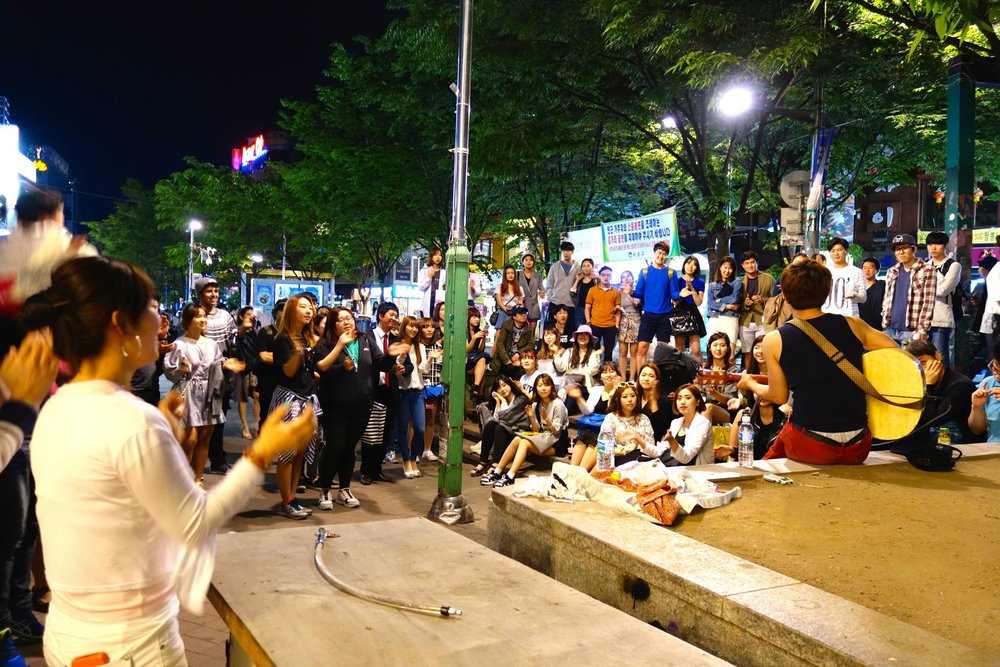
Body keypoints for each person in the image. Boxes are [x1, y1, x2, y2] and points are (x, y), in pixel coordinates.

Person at [22, 255, 315, 666]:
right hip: (130, 646)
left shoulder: (58, 407)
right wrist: (262, 451)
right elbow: (195, 522)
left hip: (74, 634)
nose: (161, 319)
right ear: (120, 324)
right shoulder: (128, 419)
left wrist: (161, 431)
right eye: (151, 308)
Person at [738, 259, 898, 464]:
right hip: (858, 444)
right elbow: (894, 349)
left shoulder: (774, 339)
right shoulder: (853, 324)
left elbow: (778, 395)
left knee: (775, 449)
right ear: (827, 292)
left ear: (784, 295)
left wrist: (750, 383)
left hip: (811, 444)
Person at [0, 332, 58, 662]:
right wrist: (20, 405)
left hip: (24, 434)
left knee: (21, 531)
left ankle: (16, 615)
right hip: (16, 431)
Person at [313, 308, 403, 510]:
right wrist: (340, 365)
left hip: (361, 405)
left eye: (349, 318)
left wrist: (390, 356)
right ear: (333, 325)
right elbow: (321, 370)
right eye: (341, 319)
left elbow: (380, 364)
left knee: (349, 448)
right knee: (334, 446)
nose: (347, 322)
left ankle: (344, 490)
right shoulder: (325, 343)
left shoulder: (364, 340)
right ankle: (324, 489)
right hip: (335, 406)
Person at [163, 304, 245, 485]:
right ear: (188, 321)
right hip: (187, 394)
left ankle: (197, 478)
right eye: (198, 316)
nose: (203, 320)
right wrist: (181, 369)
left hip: (208, 395)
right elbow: (169, 372)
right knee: (189, 440)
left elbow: (217, 364)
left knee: (204, 439)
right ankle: (183, 479)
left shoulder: (212, 344)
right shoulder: (179, 344)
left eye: (204, 316)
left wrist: (226, 365)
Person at [270, 294, 324, 518]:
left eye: (310, 307)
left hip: (307, 399)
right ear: (292, 310)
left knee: (300, 452)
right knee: (287, 454)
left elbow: (308, 370)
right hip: (289, 400)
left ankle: (293, 497)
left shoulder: (307, 337)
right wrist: (300, 352)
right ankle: (286, 501)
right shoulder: (283, 339)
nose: (309, 310)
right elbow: (289, 371)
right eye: (303, 307)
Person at [482, 374, 568, 487]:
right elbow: (537, 430)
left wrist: (547, 419)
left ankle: (510, 476)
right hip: (543, 437)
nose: (543, 388)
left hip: (556, 443)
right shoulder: (536, 404)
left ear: (552, 387)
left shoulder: (558, 404)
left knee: (524, 442)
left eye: (546, 385)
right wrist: (532, 417)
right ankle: (497, 472)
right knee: (518, 438)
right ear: (535, 388)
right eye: (540, 386)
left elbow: (557, 432)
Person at [194, 276, 238, 475]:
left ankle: (217, 459)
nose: (214, 295)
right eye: (209, 291)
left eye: (216, 291)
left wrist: (242, 333)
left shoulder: (225, 316)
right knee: (196, 419)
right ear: (200, 294)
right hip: (198, 375)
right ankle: (194, 461)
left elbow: (233, 342)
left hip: (221, 374)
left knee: (218, 418)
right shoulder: (194, 313)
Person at [902, 340, 977, 446]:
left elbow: (934, 419)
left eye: (923, 362)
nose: (920, 369)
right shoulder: (915, 382)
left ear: (937, 356)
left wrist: (929, 387)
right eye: (915, 365)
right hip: (927, 444)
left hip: (958, 445)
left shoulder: (961, 385)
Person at [364, 302, 405, 485]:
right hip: (373, 390)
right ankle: (366, 470)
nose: (394, 319)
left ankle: (376, 469)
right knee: (370, 433)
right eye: (391, 315)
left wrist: (403, 368)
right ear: (380, 316)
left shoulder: (396, 340)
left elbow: (408, 363)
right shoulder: (367, 337)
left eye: (396, 315)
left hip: (391, 389)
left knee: (386, 432)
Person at [882, 233, 937, 346]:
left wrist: (922, 329)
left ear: (914, 249)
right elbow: (887, 297)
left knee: (911, 363)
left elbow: (929, 302)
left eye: (904, 248)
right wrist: (884, 320)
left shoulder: (927, 269)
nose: (901, 252)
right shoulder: (892, 271)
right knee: (890, 363)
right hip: (890, 328)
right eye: (897, 249)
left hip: (912, 330)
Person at [471, 375, 531, 477]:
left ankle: (496, 464)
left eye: (504, 385)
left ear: (510, 385)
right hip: (506, 430)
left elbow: (506, 417)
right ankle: (483, 462)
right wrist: (499, 402)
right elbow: (496, 419)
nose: (502, 389)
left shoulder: (520, 400)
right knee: (490, 425)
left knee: (499, 428)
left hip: (518, 432)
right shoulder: (501, 399)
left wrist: (502, 401)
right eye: (498, 388)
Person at [568, 363, 621, 470]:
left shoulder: (623, 391)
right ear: (600, 376)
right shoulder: (597, 390)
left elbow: (613, 413)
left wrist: (615, 390)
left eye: (612, 371)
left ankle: (580, 472)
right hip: (593, 428)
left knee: (594, 439)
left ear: (618, 374)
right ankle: (571, 471)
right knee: (585, 434)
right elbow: (588, 411)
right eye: (605, 372)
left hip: (609, 432)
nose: (608, 375)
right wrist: (578, 398)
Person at [633, 241, 677, 364]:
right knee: (641, 349)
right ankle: (640, 380)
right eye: (659, 253)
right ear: (654, 253)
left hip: (665, 316)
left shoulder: (671, 273)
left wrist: (684, 293)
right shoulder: (644, 272)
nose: (661, 256)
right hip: (648, 315)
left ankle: (660, 380)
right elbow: (639, 293)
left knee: (662, 351)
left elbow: (674, 294)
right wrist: (630, 291)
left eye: (664, 254)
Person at [394, 316, 426, 479]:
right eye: (410, 326)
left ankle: (413, 458)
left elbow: (422, 370)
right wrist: (401, 354)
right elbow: (396, 366)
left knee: (420, 429)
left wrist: (432, 358)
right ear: (404, 327)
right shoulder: (397, 345)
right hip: (402, 391)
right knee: (403, 428)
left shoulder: (420, 346)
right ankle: (406, 461)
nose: (413, 330)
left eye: (415, 327)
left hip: (418, 391)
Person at [925, 231, 962, 366]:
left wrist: (927, 286)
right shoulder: (925, 265)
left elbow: (943, 290)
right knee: (923, 356)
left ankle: (944, 385)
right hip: (923, 319)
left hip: (941, 318)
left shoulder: (953, 265)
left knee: (940, 355)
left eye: (938, 244)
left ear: (945, 245)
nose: (933, 248)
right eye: (930, 244)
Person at [596, 382, 655, 465]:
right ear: (618, 399)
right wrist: (624, 450)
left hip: (639, 460)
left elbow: (651, 446)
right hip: (616, 459)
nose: (630, 400)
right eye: (625, 397)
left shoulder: (644, 419)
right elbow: (603, 448)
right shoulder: (611, 418)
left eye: (633, 396)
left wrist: (633, 447)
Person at [659, 384, 714, 466]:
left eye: (688, 398)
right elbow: (659, 451)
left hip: (698, 472)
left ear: (697, 402)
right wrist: (640, 441)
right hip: (675, 469)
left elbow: (686, 458)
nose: (682, 402)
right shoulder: (675, 422)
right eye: (679, 398)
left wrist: (671, 440)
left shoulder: (703, 423)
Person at [738, 251, 775, 369]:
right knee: (748, 352)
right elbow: (736, 303)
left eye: (752, 262)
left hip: (763, 321)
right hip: (746, 321)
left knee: (764, 351)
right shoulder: (739, 282)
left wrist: (762, 300)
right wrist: (745, 304)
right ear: (743, 266)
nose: (750, 265)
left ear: (757, 263)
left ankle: (764, 375)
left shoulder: (769, 279)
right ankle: (749, 377)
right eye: (747, 263)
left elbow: (776, 300)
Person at [253, 298, 286, 431]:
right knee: (267, 417)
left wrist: (276, 357)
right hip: (268, 384)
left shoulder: (293, 334)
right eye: (281, 310)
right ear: (275, 312)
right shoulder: (266, 331)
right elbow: (264, 356)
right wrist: (286, 359)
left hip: (287, 386)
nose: (284, 313)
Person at [701, 331, 743, 423]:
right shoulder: (704, 369)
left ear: (728, 348)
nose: (718, 349)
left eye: (722, 345)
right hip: (704, 407)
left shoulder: (733, 371)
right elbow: (701, 395)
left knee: (708, 408)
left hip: (726, 410)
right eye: (715, 345)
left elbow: (729, 400)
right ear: (709, 348)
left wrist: (714, 393)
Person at [671, 255, 706, 360]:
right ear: (684, 265)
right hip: (679, 313)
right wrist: (682, 294)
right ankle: (681, 373)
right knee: (679, 348)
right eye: (688, 263)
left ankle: (699, 373)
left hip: (693, 313)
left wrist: (692, 289)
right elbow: (674, 300)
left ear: (697, 268)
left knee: (696, 349)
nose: (690, 267)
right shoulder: (677, 281)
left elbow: (698, 302)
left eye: (694, 265)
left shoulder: (700, 282)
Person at [418, 318, 443, 462]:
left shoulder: (438, 348)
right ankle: (412, 451)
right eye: (425, 327)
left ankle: (427, 449)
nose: (429, 329)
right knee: (413, 422)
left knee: (430, 420)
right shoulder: (417, 347)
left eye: (431, 327)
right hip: (418, 388)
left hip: (433, 389)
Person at [821, 237, 866, 318]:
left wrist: (855, 295)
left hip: (849, 317)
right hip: (826, 315)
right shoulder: (824, 271)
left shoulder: (857, 272)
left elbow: (863, 298)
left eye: (839, 250)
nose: (836, 253)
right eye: (832, 251)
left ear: (846, 251)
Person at [232, 306, 259, 439]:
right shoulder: (239, 331)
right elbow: (240, 336)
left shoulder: (255, 331)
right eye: (248, 314)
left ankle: (257, 424)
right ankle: (245, 426)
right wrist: (244, 326)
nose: (252, 316)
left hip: (254, 367)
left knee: (256, 396)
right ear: (242, 317)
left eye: (252, 314)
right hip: (242, 367)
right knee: (242, 398)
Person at [968, 256, 997, 377]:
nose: (979, 269)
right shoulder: (984, 283)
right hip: (986, 323)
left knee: (987, 352)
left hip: (986, 323)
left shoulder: (985, 284)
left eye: (981, 267)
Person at [585, 265, 621, 363]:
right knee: (594, 352)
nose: (606, 277)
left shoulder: (616, 292)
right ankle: (595, 372)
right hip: (595, 324)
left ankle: (608, 372)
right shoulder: (592, 290)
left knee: (608, 352)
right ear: (599, 276)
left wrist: (616, 325)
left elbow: (618, 311)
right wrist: (588, 322)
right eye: (603, 275)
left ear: (611, 277)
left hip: (610, 326)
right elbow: (587, 307)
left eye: (608, 275)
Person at [705, 256, 740, 354]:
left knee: (730, 351)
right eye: (725, 267)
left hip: (730, 317)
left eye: (730, 268)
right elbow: (710, 303)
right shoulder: (712, 285)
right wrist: (727, 306)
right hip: (715, 317)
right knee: (713, 348)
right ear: (720, 268)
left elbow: (734, 299)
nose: (727, 270)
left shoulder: (736, 283)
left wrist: (718, 300)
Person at [491, 305, 535, 378]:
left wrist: (519, 353)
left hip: (519, 358)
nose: (524, 315)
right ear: (514, 317)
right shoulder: (506, 326)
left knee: (519, 372)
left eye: (525, 313)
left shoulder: (528, 328)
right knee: (508, 370)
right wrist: (506, 360)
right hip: (505, 357)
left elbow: (531, 344)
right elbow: (500, 343)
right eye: (521, 313)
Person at [555, 324, 601, 394]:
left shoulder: (593, 353)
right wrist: (557, 355)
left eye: (586, 334)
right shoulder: (569, 351)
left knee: (574, 391)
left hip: (585, 386)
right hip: (568, 385)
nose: (583, 336)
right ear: (576, 337)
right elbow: (561, 368)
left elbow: (592, 371)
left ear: (590, 338)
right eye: (580, 334)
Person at [969, 342, 1000, 442]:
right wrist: (977, 407)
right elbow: (977, 430)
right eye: (995, 369)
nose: (997, 376)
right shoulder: (988, 383)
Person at [546, 242, 580, 326]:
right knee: (553, 328)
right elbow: (549, 284)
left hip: (570, 304)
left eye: (568, 251)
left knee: (569, 328)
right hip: (555, 303)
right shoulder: (555, 266)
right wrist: (551, 298)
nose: (566, 253)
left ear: (572, 252)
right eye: (564, 251)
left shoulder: (578, 267)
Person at [617, 269, 641, 380]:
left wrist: (629, 294)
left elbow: (636, 304)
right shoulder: (618, 292)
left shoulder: (637, 290)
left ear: (632, 278)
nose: (626, 278)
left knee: (633, 353)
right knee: (622, 352)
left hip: (635, 320)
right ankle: (622, 377)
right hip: (623, 321)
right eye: (623, 277)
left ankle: (632, 378)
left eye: (628, 276)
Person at [637, 362, 670, 441]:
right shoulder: (634, 396)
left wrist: (653, 402)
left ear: (657, 380)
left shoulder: (664, 400)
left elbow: (660, 430)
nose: (646, 379)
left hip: (653, 443)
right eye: (643, 375)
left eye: (651, 376)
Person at [466, 307, 490, 398]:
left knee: (483, 359)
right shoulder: (464, 331)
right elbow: (467, 349)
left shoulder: (478, 331)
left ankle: (476, 388)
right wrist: (474, 338)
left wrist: (483, 338)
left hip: (476, 358)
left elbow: (481, 350)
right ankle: (479, 394)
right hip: (466, 359)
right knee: (482, 367)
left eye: (478, 317)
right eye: (474, 317)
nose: (477, 319)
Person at [857, 256, 885, 331]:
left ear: (877, 270)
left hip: (877, 325)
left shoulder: (882, 285)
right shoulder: (857, 287)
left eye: (870, 268)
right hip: (859, 324)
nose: (867, 270)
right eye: (865, 268)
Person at [418, 247, 446, 319]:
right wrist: (429, 277)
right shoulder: (424, 270)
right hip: (428, 302)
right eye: (435, 255)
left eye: (440, 255)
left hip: (439, 301)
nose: (438, 257)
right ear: (431, 256)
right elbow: (421, 287)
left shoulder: (444, 272)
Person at [494, 264, 524, 329]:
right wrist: (505, 309)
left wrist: (517, 306)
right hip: (503, 311)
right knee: (500, 329)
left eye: (512, 273)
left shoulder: (520, 288)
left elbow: (520, 301)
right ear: (505, 275)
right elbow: (499, 301)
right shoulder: (500, 287)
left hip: (515, 313)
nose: (510, 275)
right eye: (508, 273)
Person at [518, 253, 544, 328]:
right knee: (521, 330)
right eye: (526, 260)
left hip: (533, 305)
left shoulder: (537, 275)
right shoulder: (518, 274)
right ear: (522, 262)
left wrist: (542, 293)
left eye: (531, 260)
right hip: (522, 304)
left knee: (532, 331)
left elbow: (541, 287)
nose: (528, 262)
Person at [571, 258, 597, 329]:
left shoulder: (595, 281)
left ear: (592, 267)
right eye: (584, 266)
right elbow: (572, 293)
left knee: (593, 331)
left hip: (593, 310)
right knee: (580, 331)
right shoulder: (580, 281)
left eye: (588, 266)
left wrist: (597, 278)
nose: (586, 268)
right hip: (580, 310)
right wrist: (577, 279)